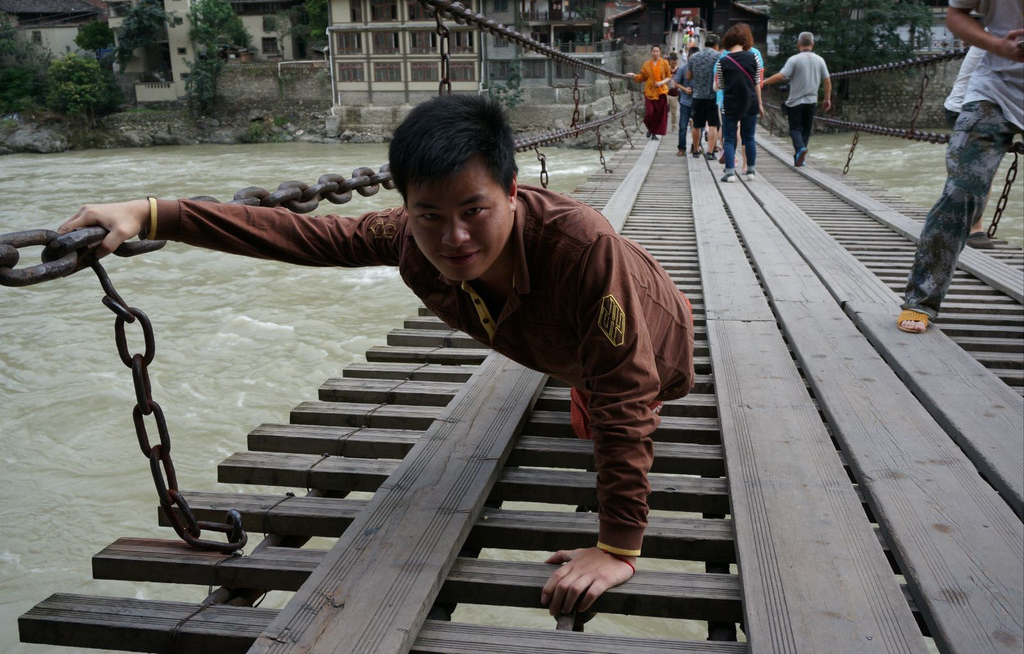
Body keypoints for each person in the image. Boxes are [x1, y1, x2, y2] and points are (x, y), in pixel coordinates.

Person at [56, 94, 696, 617]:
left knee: (613, 409)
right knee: (585, 385)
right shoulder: (409, 239)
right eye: (429, 215)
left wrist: (617, 547)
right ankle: (576, 377)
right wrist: (151, 213)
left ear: (512, 189)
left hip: (654, 351)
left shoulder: (583, 249)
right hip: (561, 348)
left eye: (475, 210)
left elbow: (627, 393)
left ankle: (580, 382)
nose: (455, 238)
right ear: (407, 207)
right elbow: (306, 235)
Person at [898, 0, 1023, 333]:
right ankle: (921, 299)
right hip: (995, 89)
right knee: (962, 192)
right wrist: (999, 46)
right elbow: (956, 14)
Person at [942, 45, 994, 249]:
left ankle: (954, 221)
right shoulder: (1003, 32)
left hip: (973, 107)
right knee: (983, 169)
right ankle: (973, 228)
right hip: (970, 108)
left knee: (967, 169)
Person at [763, 31, 832, 167]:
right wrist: (827, 99)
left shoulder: (794, 59)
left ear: (798, 44)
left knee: (795, 129)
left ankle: (800, 150)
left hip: (795, 102)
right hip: (812, 101)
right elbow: (827, 81)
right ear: (812, 44)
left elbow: (781, 76)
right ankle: (801, 156)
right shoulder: (820, 60)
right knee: (806, 130)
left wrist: (764, 82)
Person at [714, 23, 764, 183]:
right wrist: (760, 104)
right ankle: (750, 171)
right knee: (749, 137)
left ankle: (730, 173)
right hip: (750, 102)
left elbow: (720, 85)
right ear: (745, 39)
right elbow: (757, 82)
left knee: (729, 138)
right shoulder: (754, 57)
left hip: (730, 103)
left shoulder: (723, 61)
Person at [627, 45, 674, 140]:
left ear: (660, 52)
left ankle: (653, 133)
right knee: (650, 113)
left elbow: (669, 76)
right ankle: (651, 128)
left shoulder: (665, 63)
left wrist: (661, 82)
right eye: (654, 51)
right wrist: (634, 75)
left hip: (661, 92)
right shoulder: (646, 64)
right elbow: (642, 77)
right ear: (651, 52)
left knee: (658, 114)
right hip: (649, 92)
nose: (655, 53)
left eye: (657, 51)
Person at [687, 33, 722, 159]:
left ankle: (696, 150)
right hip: (713, 96)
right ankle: (710, 152)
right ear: (716, 45)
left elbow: (688, 76)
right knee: (713, 125)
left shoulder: (693, 57)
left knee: (696, 125)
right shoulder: (719, 57)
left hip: (697, 95)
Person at [673, 45, 698, 156]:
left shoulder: (701, 69)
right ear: (687, 57)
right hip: (685, 101)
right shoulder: (683, 68)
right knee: (683, 126)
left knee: (697, 126)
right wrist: (684, 89)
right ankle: (681, 147)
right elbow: (676, 82)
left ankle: (695, 147)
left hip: (697, 101)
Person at [667, 52, 680, 132]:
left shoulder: (679, 70)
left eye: (675, 62)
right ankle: (661, 126)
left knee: (674, 112)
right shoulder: (666, 69)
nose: (673, 63)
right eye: (672, 61)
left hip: (675, 94)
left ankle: (674, 126)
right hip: (665, 93)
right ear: (669, 61)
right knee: (663, 110)